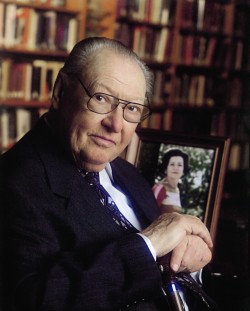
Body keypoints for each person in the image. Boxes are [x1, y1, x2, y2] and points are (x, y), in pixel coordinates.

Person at [0, 37, 215, 311]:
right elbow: (35, 301)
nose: (116, 124)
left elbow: (172, 266)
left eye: (132, 109)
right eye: (101, 98)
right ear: (60, 92)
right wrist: (149, 244)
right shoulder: (14, 183)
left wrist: (191, 261)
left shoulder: (128, 174)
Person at [153, 149, 189, 214]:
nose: (176, 168)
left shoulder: (178, 190)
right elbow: (149, 212)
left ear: (184, 170)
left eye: (179, 165)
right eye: (172, 164)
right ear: (166, 168)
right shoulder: (160, 188)